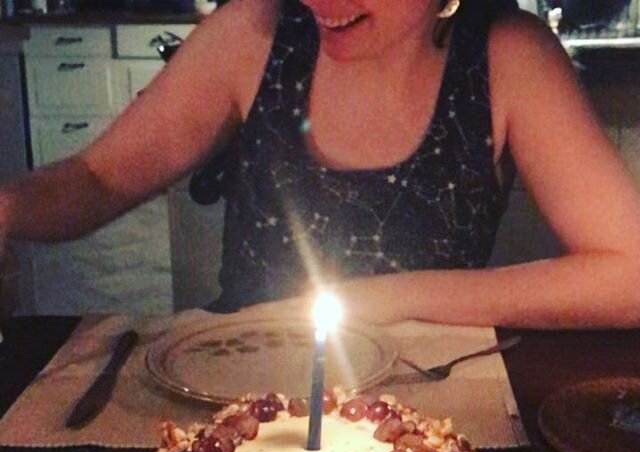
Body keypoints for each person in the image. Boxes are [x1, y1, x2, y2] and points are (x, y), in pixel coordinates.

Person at [1, 0, 639, 328]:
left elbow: (630, 275)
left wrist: (390, 300)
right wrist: (8, 209)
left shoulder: (509, 56)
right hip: (242, 399)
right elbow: (96, 179)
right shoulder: (251, 34)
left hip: (431, 414)